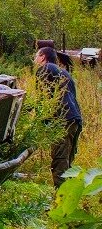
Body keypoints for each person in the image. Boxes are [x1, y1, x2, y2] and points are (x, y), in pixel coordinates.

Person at [34, 46, 82, 187]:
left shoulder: (44, 69)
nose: (35, 59)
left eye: (37, 56)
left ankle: (59, 202)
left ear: (43, 56)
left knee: (59, 161)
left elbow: (42, 99)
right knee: (67, 164)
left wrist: (40, 123)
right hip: (75, 119)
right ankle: (69, 198)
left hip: (63, 120)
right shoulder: (64, 72)